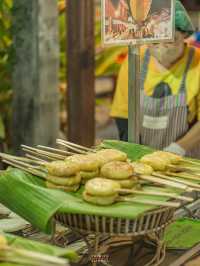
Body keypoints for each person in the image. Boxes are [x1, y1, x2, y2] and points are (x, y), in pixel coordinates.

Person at [111, 0, 200, 158]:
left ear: (184, 35)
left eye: (171, 40)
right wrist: (132, 151)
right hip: (144, 156)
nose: (161, 47)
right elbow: (123, 113)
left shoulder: (197, 62)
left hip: (187, 157)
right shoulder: (134, 60)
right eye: (154, 40)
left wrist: (178, 148)